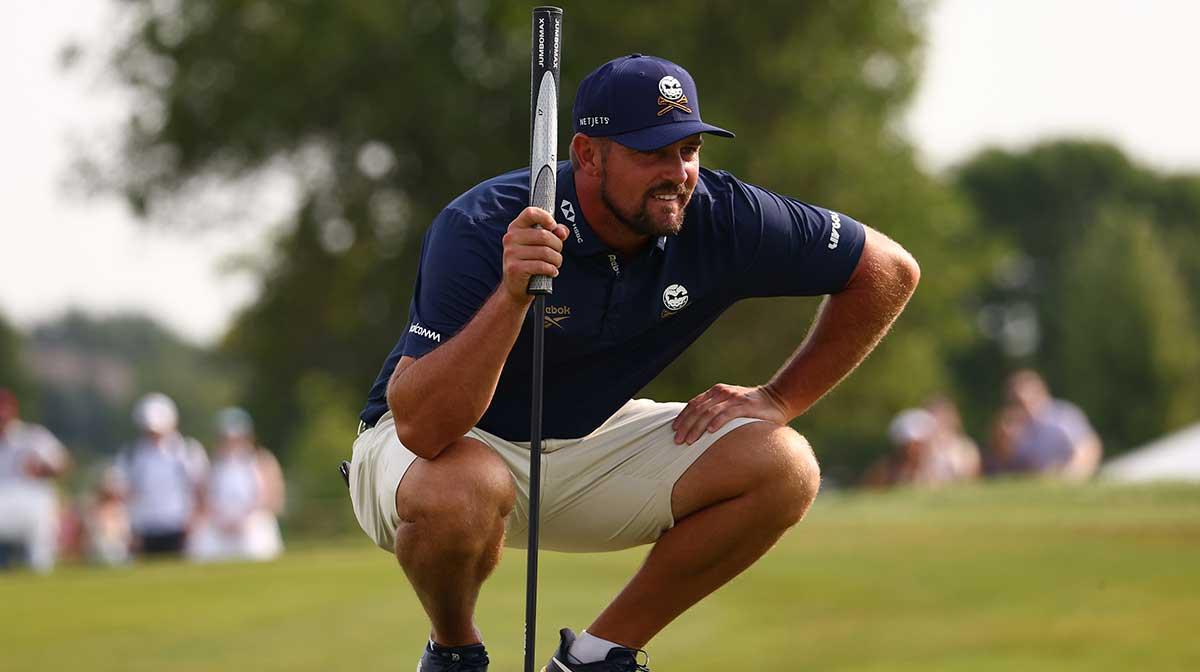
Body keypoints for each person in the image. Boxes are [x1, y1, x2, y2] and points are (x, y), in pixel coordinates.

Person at [348, 54, 920, 671]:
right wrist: (512, 296)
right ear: (588, 155)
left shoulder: (723, 216)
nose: (678, 173)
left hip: (586, 442)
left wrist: (780, 398)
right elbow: (423, 427)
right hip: (437, 452)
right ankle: (454, 652)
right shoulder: (483, 223)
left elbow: (888, 270)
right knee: (463, 489)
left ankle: (597, 657)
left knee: (784, 465)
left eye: (689, 150)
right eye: (653, 153)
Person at [114, 392, 208, 558]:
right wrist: (128, 529)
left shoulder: (187, 451)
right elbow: (123, 493)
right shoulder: (131, 454)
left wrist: (195, 522)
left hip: (178, 526)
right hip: (144, 527)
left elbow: (200, 489)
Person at [187, 407, 285, 563]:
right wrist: (222, 521)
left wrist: (246, 520)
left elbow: (273, 498)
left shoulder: (263, 461)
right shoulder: (212, 466)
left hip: (252, 522)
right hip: (219, 525)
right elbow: (203, 501)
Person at [0, 388, 71, 573]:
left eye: (4, 408)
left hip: (34, 503)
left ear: (13, 409)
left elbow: (63, 464)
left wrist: (41, 470)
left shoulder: (32, 435)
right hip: (4, 505)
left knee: (40, 559)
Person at [985, 370, 1101, 480]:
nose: (1026, 407)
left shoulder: (1063, 416)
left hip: (1064, 476)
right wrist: (1003, 440)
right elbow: (999, 466)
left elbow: (1088, 447)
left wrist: (1070, 475)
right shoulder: (1008, 424)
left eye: (1031, 400)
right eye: (1018, 402)